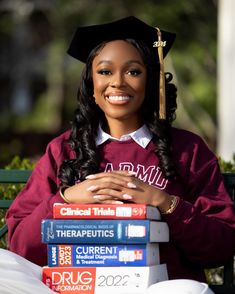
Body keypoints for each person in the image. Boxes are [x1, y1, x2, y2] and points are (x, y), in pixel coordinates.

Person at [5, 16, 235, 285]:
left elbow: (222, 244)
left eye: (133, 71)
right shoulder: (63, 150)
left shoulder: (187, 150)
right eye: (104, 71)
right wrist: (66, 200)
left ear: (151, 81)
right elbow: (20, 244)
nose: (118, 82)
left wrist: (166, 204)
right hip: (74, 286)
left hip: (159, 289)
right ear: (91, 84)